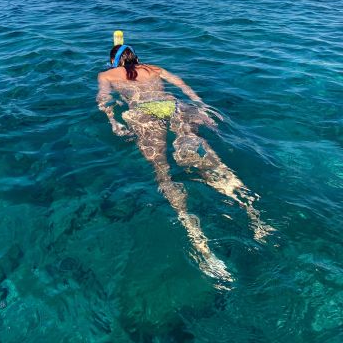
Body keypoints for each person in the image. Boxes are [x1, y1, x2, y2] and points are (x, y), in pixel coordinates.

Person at [97, 40, 274, 283]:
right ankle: (255, 215)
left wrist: (114, 122)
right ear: (136, 57)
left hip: (143, 112)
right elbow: (183, 86)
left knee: (163, 172)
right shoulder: (155, 69)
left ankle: (199, 241)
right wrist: (201, 106)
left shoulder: (106, 74)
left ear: (113, 61)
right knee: (208, 159)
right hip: (174, 106)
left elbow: (104, 101)